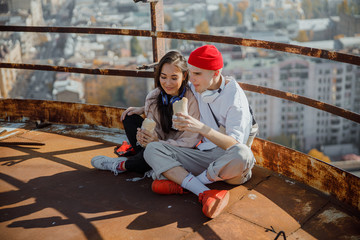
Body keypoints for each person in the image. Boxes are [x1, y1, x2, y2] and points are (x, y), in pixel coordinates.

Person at [143, 45, 257, 219]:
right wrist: (140, 108)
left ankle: (188, 183)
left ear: (216, 73)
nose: (192, 79)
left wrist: (200, 128)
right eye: (191, 72)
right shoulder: (199, 87)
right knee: (152, 149)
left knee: (243, 155)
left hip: (228, 166)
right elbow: (172, 89)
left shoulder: (235, 99)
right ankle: (204, 192)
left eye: (197, 74)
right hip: (203, 156)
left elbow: (234, 147)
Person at [91, 51, 202, 178]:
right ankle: (152, 166)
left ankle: (121, 165)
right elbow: (152, 130)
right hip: (156, 143)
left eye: (174, 78)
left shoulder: (193, 99)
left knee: (151, 154)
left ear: (184, 75)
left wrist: (158, 143)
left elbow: (189, 141)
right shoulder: (153, 97)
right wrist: (145, 137)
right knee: (129, 117)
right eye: (163, 77)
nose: (168, 83)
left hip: (180, 150)